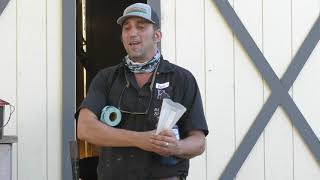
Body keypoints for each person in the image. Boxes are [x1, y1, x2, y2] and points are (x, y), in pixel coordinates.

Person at [76, 3, 208, 180]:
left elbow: (198, 142)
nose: (132, 33)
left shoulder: (182, 79)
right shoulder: (106, 78)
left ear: (157, 35)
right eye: (127, 28)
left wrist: (177, 147)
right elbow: (84, 129)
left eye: (141, 26)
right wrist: (140, 139)